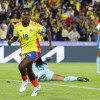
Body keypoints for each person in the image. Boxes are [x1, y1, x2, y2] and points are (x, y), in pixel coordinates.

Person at [8, 8, 50, 96]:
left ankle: (24, 81)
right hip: (24, 52)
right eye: (24, 14)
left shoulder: (36, 26)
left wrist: (50, 44)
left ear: (30, 16)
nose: (26, 16)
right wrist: (11, 41)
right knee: (30, 72)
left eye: (28, 14)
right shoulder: (17, 26)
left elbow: (48, 32)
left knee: (21, 66)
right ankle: (36, 86)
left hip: (35, 50)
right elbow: (15, 37)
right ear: (21, 15)